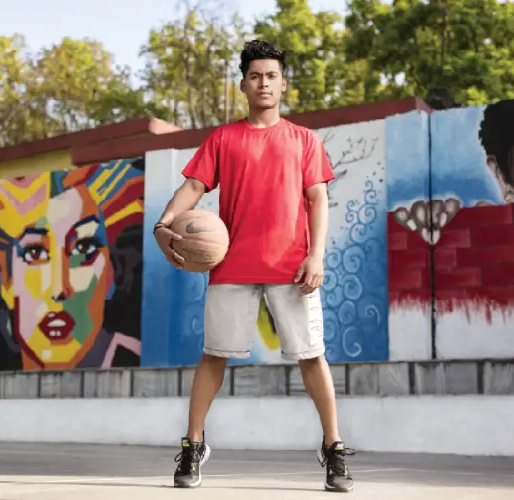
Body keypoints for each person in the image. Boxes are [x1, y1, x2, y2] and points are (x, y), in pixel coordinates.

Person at [152, 40, 355, 493]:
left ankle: (334, 448)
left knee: (312, 356)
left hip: (291, 267)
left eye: (271, 76)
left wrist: (316, 254)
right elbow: (194, 186)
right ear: (243, 84)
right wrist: (163, 223)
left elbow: (318, 199)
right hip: (232, 265)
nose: (263, 83)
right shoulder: (223, 139)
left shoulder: (304, 140)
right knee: (214, 355)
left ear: (283, 84)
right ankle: (193, 444)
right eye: (255, 76)